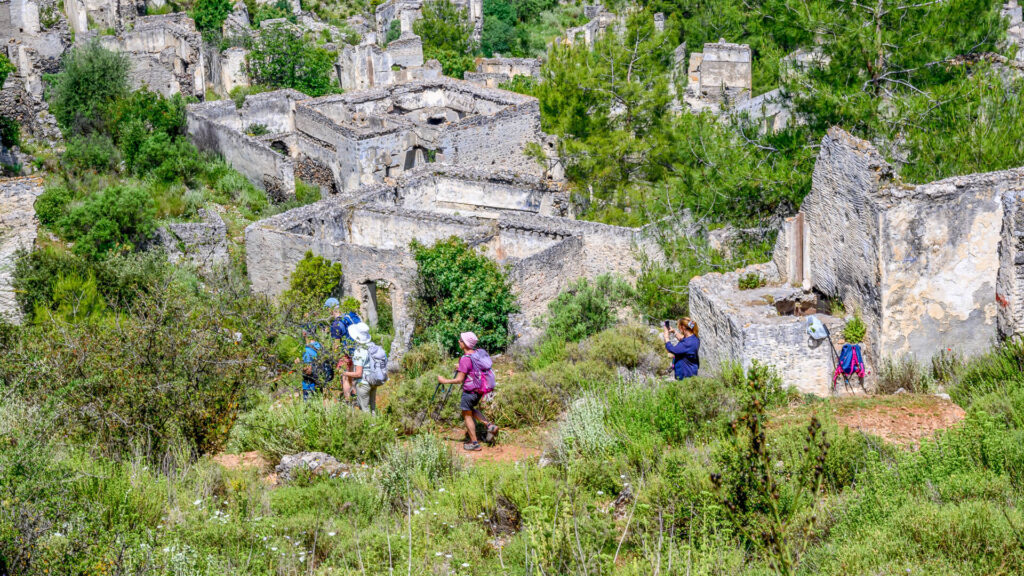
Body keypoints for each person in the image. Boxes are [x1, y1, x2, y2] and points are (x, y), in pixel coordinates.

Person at [437, 331, 498, 451]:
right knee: (470, 410)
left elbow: (459, 380)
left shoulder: (465, 359)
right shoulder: (477, 354)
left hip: (470, 392)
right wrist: (461, 367)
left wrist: (444, 381)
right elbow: (472, 369)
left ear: (465, 343)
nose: (459, 341)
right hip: (480, 390)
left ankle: (474, 443)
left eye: (460, 340)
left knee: (466, 414)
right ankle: (490, 426)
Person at [341, 322, 378, 413]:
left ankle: (369, 426)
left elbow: (358, 373)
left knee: (364, 409)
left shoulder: (359, 351)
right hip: (374, 380)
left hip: (364, 383)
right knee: (372, 408)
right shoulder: (372, 346)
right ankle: (376, 424)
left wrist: (344, 373)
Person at [294, 331, 323, 400]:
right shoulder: (320, 346)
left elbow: (308, 371)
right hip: (320, 382)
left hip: (309, 386)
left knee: (309, 407)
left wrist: (299, 364)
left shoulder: (307, 350)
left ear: (304, 333)